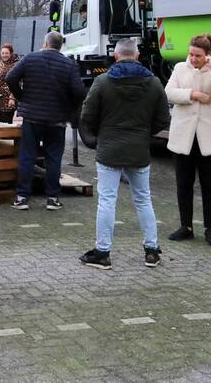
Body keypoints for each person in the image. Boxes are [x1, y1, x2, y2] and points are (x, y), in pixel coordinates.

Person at [78, 38, 171, 270]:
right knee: (143, 199)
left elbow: (87, 115)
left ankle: (102, 252)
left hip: (109, 148)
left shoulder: (102, 81)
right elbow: (163, 119)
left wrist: (100, 136)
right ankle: (151, 250)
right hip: (139, 149)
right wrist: (144, 134)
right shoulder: (154, 83)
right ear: (137, 56)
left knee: (107, 201)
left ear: (116, 56)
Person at [165, 33, 211, 247]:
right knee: (183, 183)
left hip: (208, 137)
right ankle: (186, 226)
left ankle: (210, 228)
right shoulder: (179, 68)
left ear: (208, 55)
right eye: (191, 54)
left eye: (198, 55)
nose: (193, 58)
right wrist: (193, 95)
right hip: (184, 136)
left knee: (209, 185)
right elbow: (169, 92)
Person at [6, 31, 87, 211]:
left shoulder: (30, 59)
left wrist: (22, 98)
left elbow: (10, 78)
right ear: (61, 46)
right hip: (56, 119)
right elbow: (80, 92)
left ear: (45, 43)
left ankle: (21, 197)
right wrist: (68, 109)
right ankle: (52, 198)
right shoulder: (69, 64)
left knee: (27, 156)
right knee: (53, 158)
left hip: (32, 117)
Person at [0, 44, 20, 124]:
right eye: (2, 53)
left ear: (11, 53)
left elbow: (18, 83)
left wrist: (12, 98)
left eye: (6, 53)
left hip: (7, 102)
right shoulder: (2, 63)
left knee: (6, 124)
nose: (4, 55)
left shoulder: (15, 66)